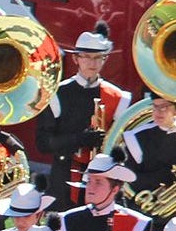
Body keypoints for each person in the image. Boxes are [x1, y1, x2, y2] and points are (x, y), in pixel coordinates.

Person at [38, 24, 132, 205]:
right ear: (76, 58)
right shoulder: (57, 93)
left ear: (105, 59)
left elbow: (121, 143)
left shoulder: (117, 97)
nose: (92, 63)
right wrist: (79, 139)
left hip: (102, 180)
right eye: (87, 57)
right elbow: (43, 143)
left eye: (98, 58)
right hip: (64, 178)